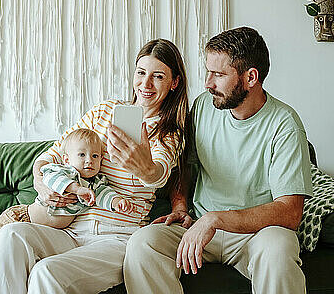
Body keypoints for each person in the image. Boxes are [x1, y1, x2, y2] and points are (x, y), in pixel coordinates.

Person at [0, 38, 189, 294]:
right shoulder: (103, 111)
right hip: (71, 228)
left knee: (46, 273)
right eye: (141, 72)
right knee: (9, 235)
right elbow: (51, 156)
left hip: (117, 238)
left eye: (157, 76)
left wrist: (144, 165)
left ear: (174, 82)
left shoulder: (170, 134)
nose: (145, 84)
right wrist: (41, 184)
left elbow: (158, 173)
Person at [124, 27, 313, 294]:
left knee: (278, 248)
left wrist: (217, 219)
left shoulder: (284, 125)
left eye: (219, 74)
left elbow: (290, 212)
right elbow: (186, 167)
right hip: (199, 227)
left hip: (256, 233)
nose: (208, 83)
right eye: (208, 71)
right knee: (143, 243)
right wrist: (180, 206)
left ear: (250, 77)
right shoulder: (204, 106)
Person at [0, 128, 133, 294]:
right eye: (83, 155)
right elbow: (51, 177)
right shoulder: (63, 171)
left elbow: (103, 194)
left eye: (95, 157)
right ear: (67, 158)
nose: (89, 161)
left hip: (47, 231)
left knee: (0, 254)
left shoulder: (93, 182)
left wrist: (117, 202)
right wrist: (76, 188)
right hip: (24, 217)